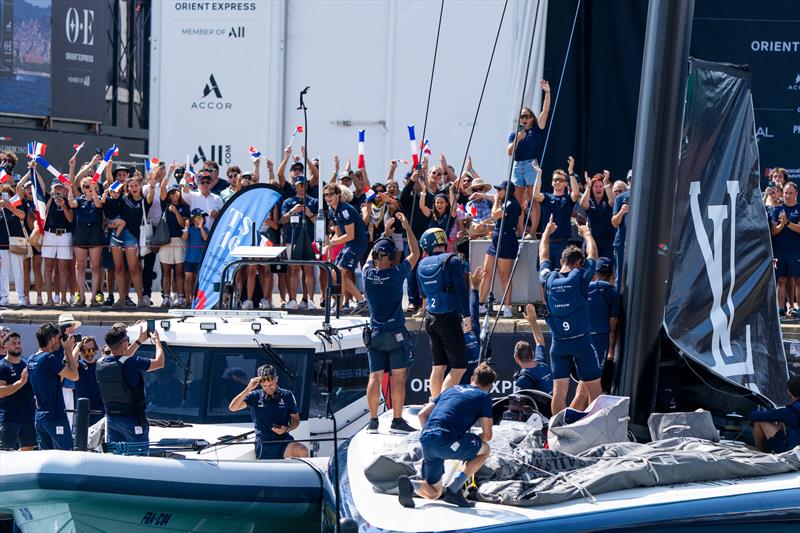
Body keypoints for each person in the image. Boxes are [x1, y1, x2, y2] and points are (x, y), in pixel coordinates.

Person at [397, 363, 496, 509]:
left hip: (427, 440)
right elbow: (487, 436)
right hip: (447, 440)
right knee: (485, 449)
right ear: (489, 386)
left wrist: (433, 437)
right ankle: (454, 489)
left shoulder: (451, 390)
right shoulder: (484, 397)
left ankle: (411, 485)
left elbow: (422, 414)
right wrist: (472, 441)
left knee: (434, 493)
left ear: (471, 378)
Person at [539, 215, 602, 415]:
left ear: (562, 261)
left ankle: (556, 431)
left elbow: (543, 257)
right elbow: (593, 255)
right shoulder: (581, 278)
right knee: (595, 392)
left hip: (559, 344)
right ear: (579, 263)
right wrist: (587, 234)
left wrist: (546, 234)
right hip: (581, 342)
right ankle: (594, 430)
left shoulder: (548, 279)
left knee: (559, 393)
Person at [362, 213, 419, 434]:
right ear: (392, 257)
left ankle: (373, 421)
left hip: (375, 334)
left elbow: (369, 258)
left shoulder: (367, 274)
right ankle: (396, 421)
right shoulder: (396, 273)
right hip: (395, 334)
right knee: (398, 377)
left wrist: (381, 238)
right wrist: (407, 228)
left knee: (374, 377)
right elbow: (416, 252)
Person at [417, 227, 470, 399]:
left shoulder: (421, 264)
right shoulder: (452, 260)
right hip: (449, 318)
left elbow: (423, 294)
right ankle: (440, 403)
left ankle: (433, 401)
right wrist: (467, 316)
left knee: (438, 366)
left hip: (431, 318)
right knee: (459, 367)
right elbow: (461, 290)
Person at [96, 323, 164, 450]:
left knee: (115, 458)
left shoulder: (101, 363)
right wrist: (157, 341)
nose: (128, 343)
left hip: (111, 420)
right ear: (123, 344)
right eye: (128, 340)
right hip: (132, 420)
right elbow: (160, 363)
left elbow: (121, 359)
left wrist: (139, 341)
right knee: (139, 459)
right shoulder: (131, 363)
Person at [228, 364, 309, 459]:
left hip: (284, 441)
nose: (268, 388)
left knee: (302, 450)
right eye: (264, 386)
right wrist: (248, 388)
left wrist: (286, 429)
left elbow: (296, 420)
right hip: (264, 444)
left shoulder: (287, 395)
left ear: (276, 379)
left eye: (271, 385)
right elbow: (233, 408)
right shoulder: (254, 396)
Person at [27, 321, 79, 450]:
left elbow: (57, 380)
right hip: (55, 417)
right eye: (58, 337)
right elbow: (74, 376)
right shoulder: (48, 358)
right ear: (51, 339)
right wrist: (68, 350)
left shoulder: (31, 359)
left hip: (40, 418)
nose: (60, 340)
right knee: (66, 456)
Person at [478, 178, 526, 318]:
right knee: (486, 272)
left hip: (506, 241)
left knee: (504, 275)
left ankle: (507, 308)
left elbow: (494, 216)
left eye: (500, 190)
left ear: (507, 191)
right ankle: (480, 304)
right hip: (495, 241)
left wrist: (496, 201)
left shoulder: (511, 204)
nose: (498, 192)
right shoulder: (505, 202)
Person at [323, 182, 368, 313]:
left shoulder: (344, 210)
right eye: (326, 195)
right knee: (335, 273)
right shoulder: (332, 211)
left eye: (331, 194)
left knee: (340, 272)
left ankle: (339, 306)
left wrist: (331, 243)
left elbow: (350, 235)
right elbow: (339, 234)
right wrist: (328, 244)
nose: (328, 197)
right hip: (350, 243)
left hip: (357, 243)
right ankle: (360, 300)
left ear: (338, 195)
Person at [507, 80, 551, 207]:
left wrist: (547, 92)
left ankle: (533, 227)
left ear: (532, 118)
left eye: (526, 116)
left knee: (533, 198)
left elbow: (545, 111)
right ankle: (520, 227)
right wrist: (517, 139)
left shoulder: (535, 130)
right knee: (517, 200)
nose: (524, 119)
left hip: (530, 164)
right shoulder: (514, 134)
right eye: (522, 117)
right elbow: (510, 152)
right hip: (517, 165)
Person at [279, 174, 318, 310]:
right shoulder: (288, 201)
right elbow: (282, 220)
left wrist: (310, 214)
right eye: (299, 185)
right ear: (295, 187)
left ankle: (310, 300)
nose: (301, 188)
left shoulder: (314, 202)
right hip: (292, 238)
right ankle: (292, 300)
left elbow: (319, 222)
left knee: (309, 268)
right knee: (294, 268)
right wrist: (292, 211)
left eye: (304, 185)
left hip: (309, 239)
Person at [533, 157, 581, 265]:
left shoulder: (568, 199)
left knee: (562, 274)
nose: (558, 182)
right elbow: (535, 195)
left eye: (561, 180)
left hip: (563, 243)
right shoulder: (546, 197)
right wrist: (539, 174)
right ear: (552, 183)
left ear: (566, 184)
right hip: (546, 242)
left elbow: (576, 194)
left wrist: (571, 172)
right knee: (544, 274)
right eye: (555, 180)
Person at [586, 257, 620, 392]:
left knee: (586, 383)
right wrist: (611, 349)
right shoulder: (612, 293)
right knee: (596, 383)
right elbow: (613, 325)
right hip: (600, 340)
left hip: (583, 339)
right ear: (612, 274)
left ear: (595, 274)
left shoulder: (583, 289)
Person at [0, 331, 36, 450]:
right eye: (13, 343)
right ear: (5, 345)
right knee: (6, 453)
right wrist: (20, 382)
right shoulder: (2, 366)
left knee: (28, 454)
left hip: (28, 417)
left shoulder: (27, 365)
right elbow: (1, 391)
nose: (17, 345)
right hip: (9, 418)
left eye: (19, 343)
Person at [770, 182, 800, 317]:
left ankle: (798, 308)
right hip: (780, 251)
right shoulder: (777, 210)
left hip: (796, 250)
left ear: (796, 194)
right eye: (786, 193)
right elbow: (774, 232)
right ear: (782, 194)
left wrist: (787, 222)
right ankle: (780, 309)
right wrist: (782, 223)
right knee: (781, 280)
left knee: (798, 280)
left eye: (791, 193)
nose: (788, 196)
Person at [158, 184, 189, 308]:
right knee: (166, 272)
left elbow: (183, 225)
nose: (174, 195)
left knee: (179, 272)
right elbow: (162, 190)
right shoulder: (164, 205)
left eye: (176, 192)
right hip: (165, 241)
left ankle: (180, 297)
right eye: (171, 193)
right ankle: (166, 298)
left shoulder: (184, 207)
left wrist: (176, 212)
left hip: (179, 240)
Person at [750, 376, 800, 453]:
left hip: (791, 452)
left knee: (760, 421)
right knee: (781, 422)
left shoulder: (789, 411)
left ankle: (758, 453)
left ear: (789, 392)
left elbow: (755, 416)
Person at [513, 304, 553, 394]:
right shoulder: (541, 362)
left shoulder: (523, 380)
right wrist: (533, 321)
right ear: (533, 353)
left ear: (516, 358)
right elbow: (539, 341)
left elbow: (516, 405)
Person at [579, 171, 616, 260]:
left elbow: (614, 202)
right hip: (591, 240)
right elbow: (583, 204)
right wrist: (588, 186)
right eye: (596, 186)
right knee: (590, 266)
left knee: (605, 268)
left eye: (600, 186)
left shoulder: (607, 200)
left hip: (607, 241)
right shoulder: (590, 200)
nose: (598, 188)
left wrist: (606, 183)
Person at [0, 184, 27, 306]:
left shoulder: (16, 205)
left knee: (18, 271)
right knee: (3, 272)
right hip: (2, 244)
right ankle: (4, 296)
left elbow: (22, 215)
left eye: (7, 195)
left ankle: (21, 297)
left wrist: (9, 206)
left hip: (15, 242)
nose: (4, 197)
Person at [73, 336, 105, 426]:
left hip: (100, 412)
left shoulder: (102, 365)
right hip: (82, 412)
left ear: (96, 350)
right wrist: (78, 346)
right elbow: (71, 362)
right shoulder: (79, 366)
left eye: (91, 350)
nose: (88, 353)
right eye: (85, 350)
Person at [183, 209, 209, 303]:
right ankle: (187, 299)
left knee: (197, 280)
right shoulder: (189, 229)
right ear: (193, 218)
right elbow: (184, 238)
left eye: (202, 217)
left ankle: (196, 299)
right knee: (188, 279)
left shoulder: (205, 229)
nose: (201, 218)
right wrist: (186, 227)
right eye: (198, 217)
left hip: (200, 260)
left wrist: (201, 227)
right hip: (189, 259)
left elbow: (205, 238)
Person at [611, 172, 631, 292]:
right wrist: (622, 212)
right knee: (621, 274)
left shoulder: (646, 195)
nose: (632, 181)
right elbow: (614, 222)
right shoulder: (621, 198)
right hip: (622, 240)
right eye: (629, 179)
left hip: (639, 241)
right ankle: (618, 307)